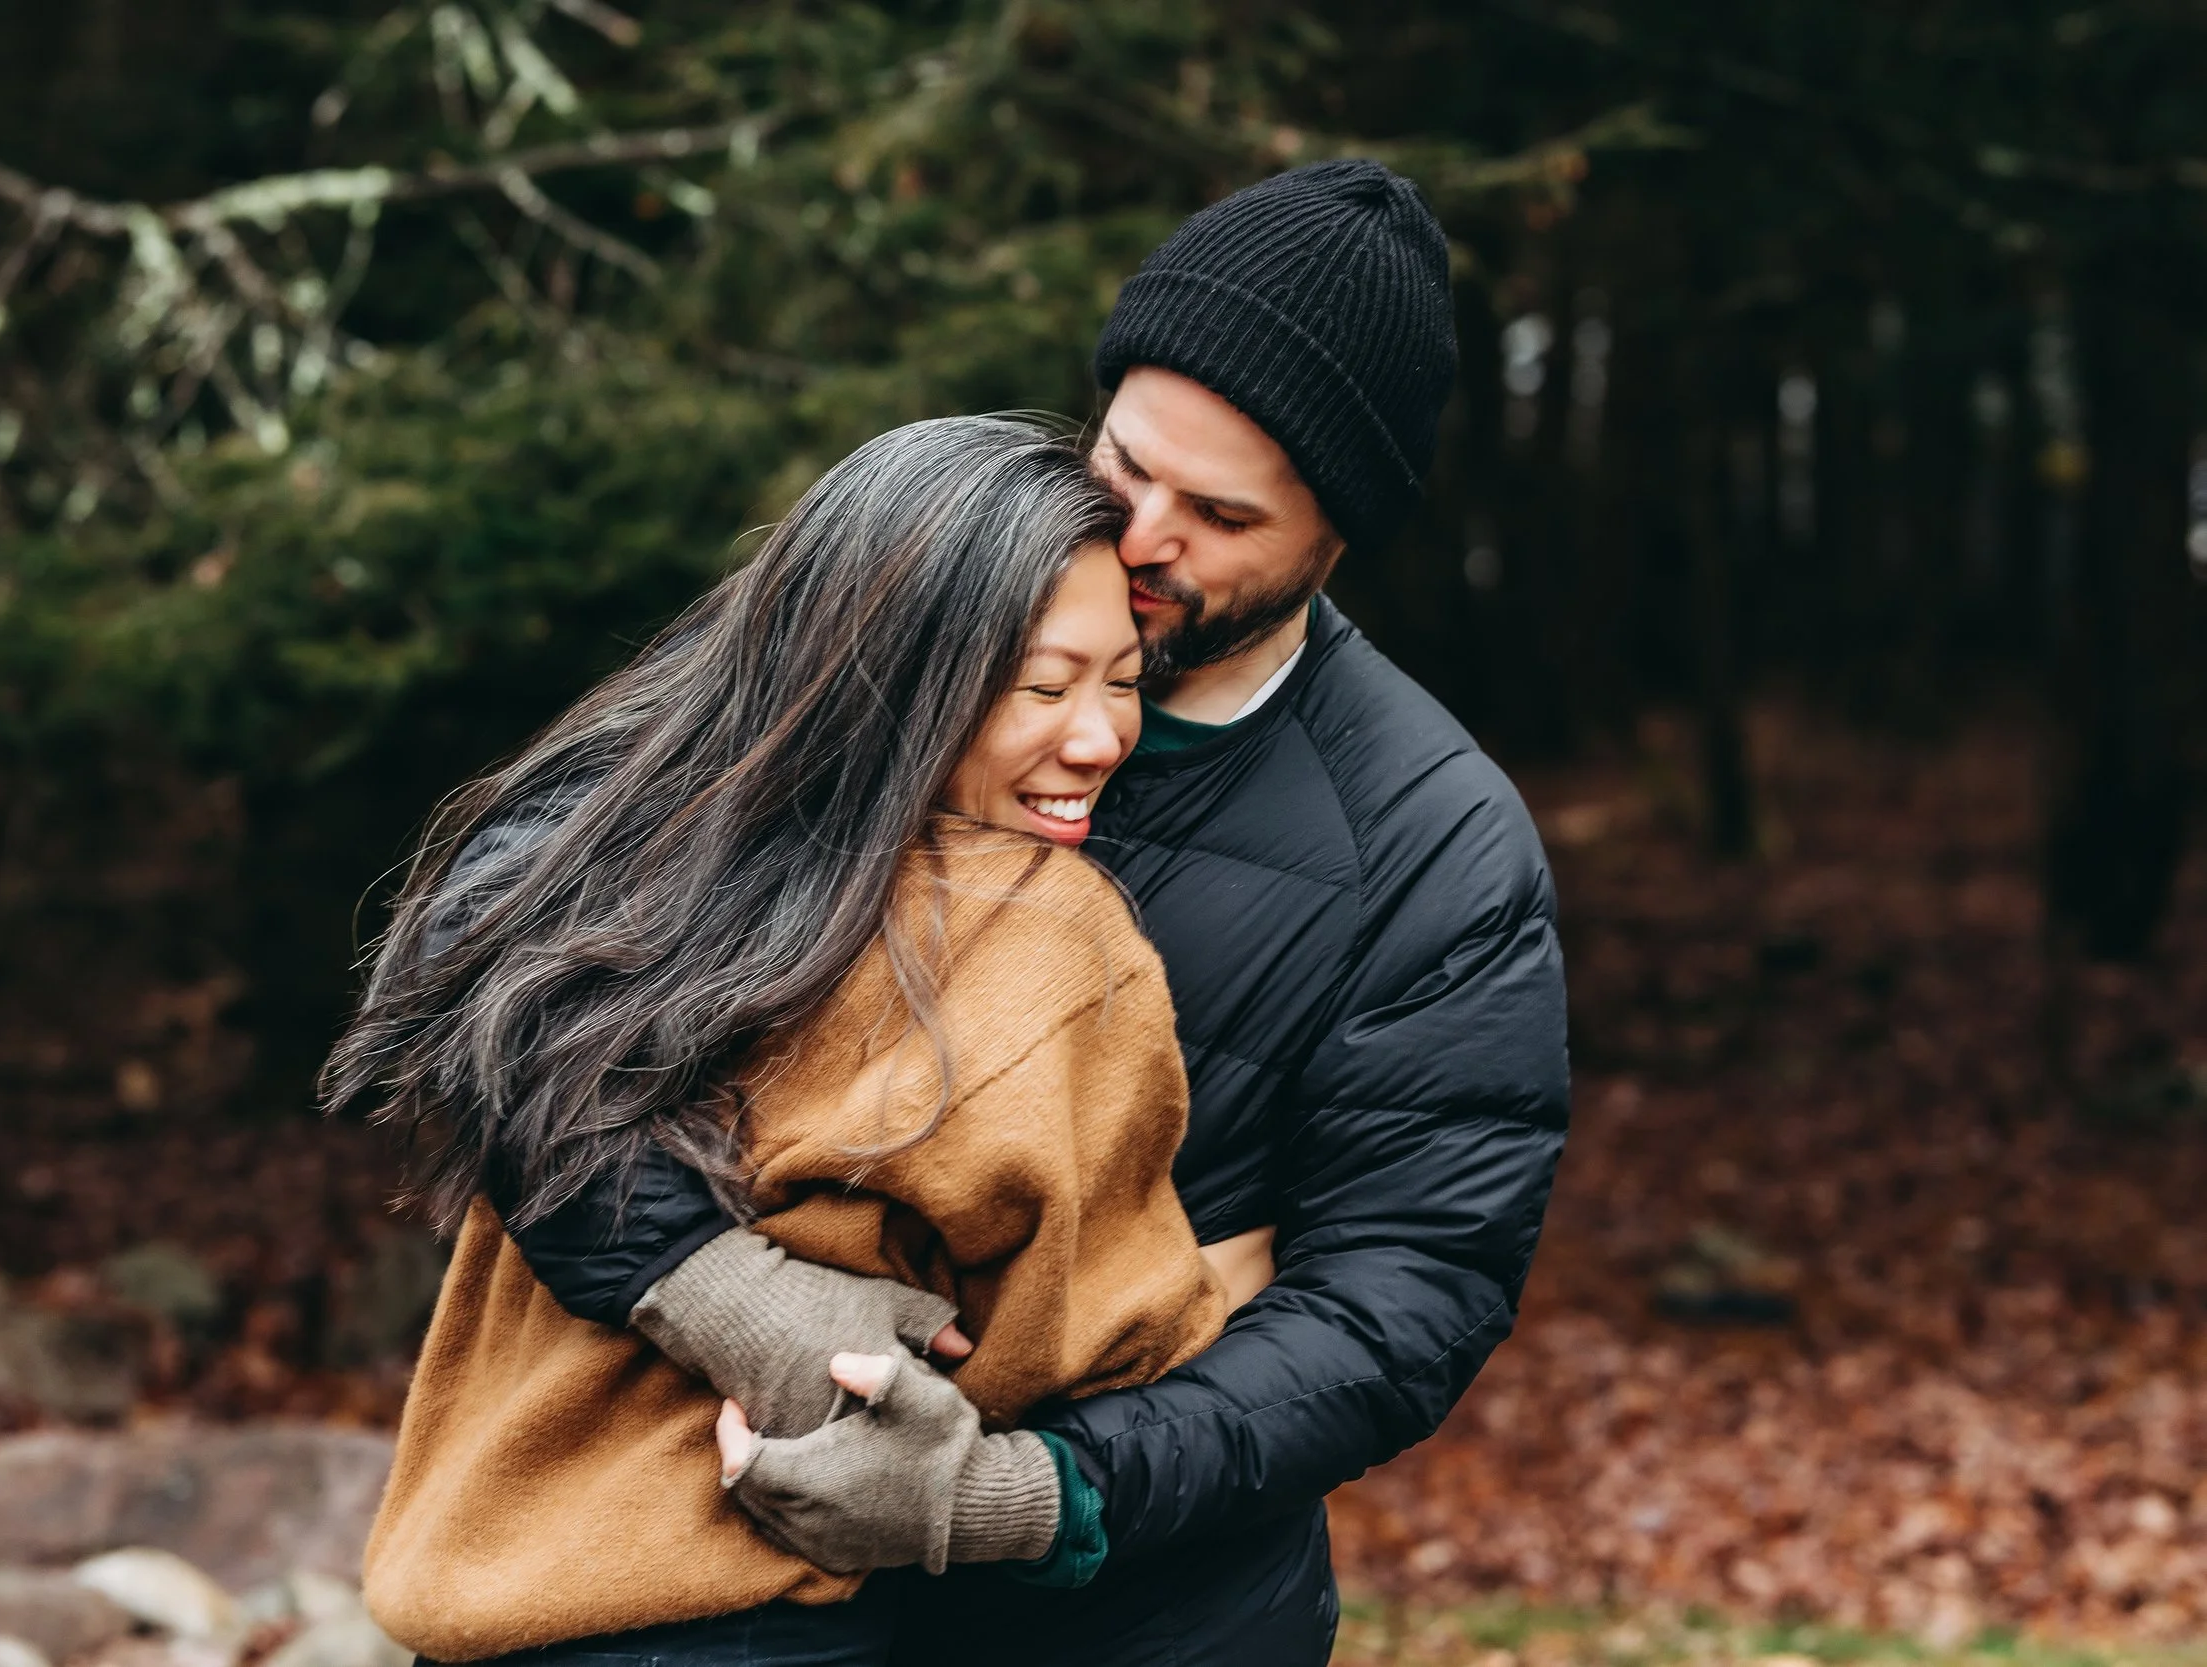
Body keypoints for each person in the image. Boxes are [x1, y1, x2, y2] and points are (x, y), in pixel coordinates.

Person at [502, 161, 1572, 1664]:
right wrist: (711, 1282)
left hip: (1140, 1618)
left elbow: (1404, 1298)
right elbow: (508, 944)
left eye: (1217, 514)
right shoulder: (914, 605)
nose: (1137, 539)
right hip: (707, 1572)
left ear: (1340, 537)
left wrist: (1033, 1493)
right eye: (1125, 462)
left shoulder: (1433, 844)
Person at [326, 418, 1275, 1665]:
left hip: (492, 1595)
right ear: (894, 668)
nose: (1100, 737)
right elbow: (1081, 1338)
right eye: (1044, 685)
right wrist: (1227, 1279)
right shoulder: (1041, 938)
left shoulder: (634, 892)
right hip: (748, 1616)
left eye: (1124, 680)